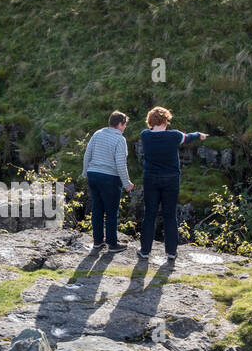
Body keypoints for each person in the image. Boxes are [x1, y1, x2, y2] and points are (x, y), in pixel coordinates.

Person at [138, 106, 207, 263]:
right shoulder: (174, 136)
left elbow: (151, 131)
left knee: (150, 214)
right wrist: (199, 135)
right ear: (166, 120)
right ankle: (171, 252)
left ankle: (145, 251)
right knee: (170, 215)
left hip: (151, 179)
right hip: (171, 179)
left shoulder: (145, 135)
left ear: (150, 121)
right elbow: (188, 137)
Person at [82, 110, 134, 251]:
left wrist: (85, 172)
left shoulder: (97, 134)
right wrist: (127, 183)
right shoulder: (120, 139)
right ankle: (112, 243)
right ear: (119, 124)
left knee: (97, 209)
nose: (125, 128)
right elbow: (120, 164)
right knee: (111, 212)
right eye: (124, 125)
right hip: (109, 178)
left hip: (93, 175)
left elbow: (87, 154)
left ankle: (98, 241)